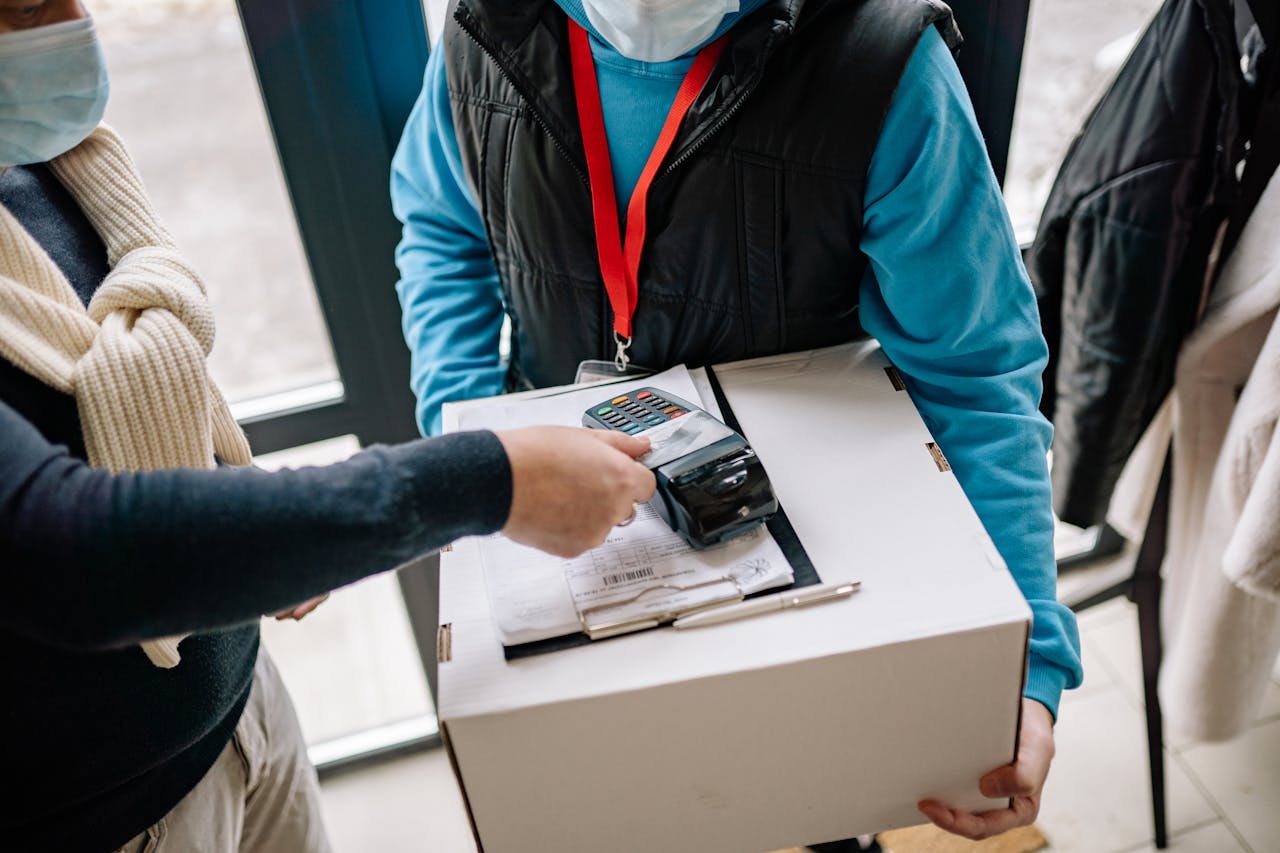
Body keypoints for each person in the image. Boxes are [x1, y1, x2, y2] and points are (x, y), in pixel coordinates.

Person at [391, 0, 1084, 844]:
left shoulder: (883, 63)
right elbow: (440, 228)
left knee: (804, 798)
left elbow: (974, 377)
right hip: (567, 543)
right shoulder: (487, 30)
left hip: (803, 567)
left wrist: (1024, 666)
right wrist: (473, 440)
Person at [0, 2, 656, 851]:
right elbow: (68, 550)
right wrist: (490, 477)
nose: (73, 23)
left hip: (244, 716)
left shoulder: (49, 155)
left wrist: (256, 528)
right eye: (25, 7)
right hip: (98, 818)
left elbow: (98, 396)